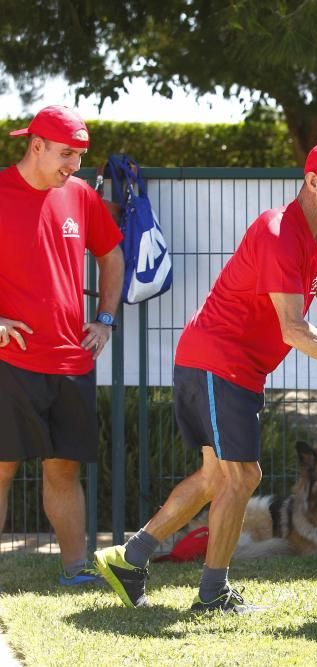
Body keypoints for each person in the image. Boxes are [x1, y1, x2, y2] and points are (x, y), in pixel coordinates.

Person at [94, 139, 317, 612]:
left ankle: (130, 558)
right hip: (217, 361)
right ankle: (212, 594)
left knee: (217, 478)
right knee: (242, 477)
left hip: (229, 368)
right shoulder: (279, 232)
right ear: (312, 182)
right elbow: (294, 329)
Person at [0, 105, 125, 585]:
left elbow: (111, 256)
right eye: (67, 154)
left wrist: (106, 320)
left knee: (64, 471)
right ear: (37, 146)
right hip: (9, 360)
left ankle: (75, 570)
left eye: (79, 155)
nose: (74, 165)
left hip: (71, 361)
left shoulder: (80, 197)